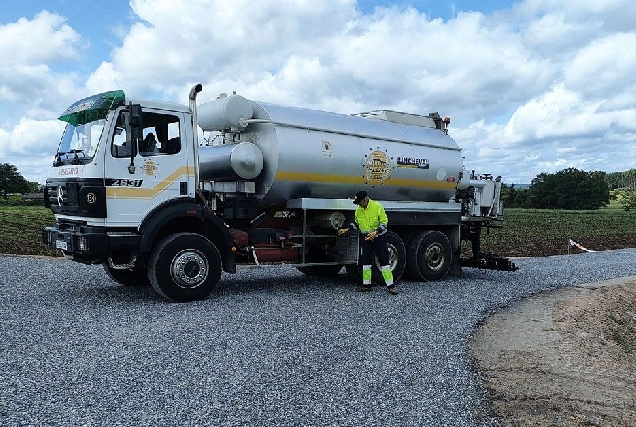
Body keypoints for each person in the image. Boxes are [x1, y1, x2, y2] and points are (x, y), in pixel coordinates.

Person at [338, 190, 397, 295]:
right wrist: (346, 230)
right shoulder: (359, 210)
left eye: (359, 202)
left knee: (384, 262)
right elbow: (357, 224)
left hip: (379, 238)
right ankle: (367, 285)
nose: (359, 205)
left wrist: (376, 232)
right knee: (366, 262)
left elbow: (384, 223)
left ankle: (390, 286)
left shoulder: (377, 206)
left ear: (365, 199)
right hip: (366, 239)